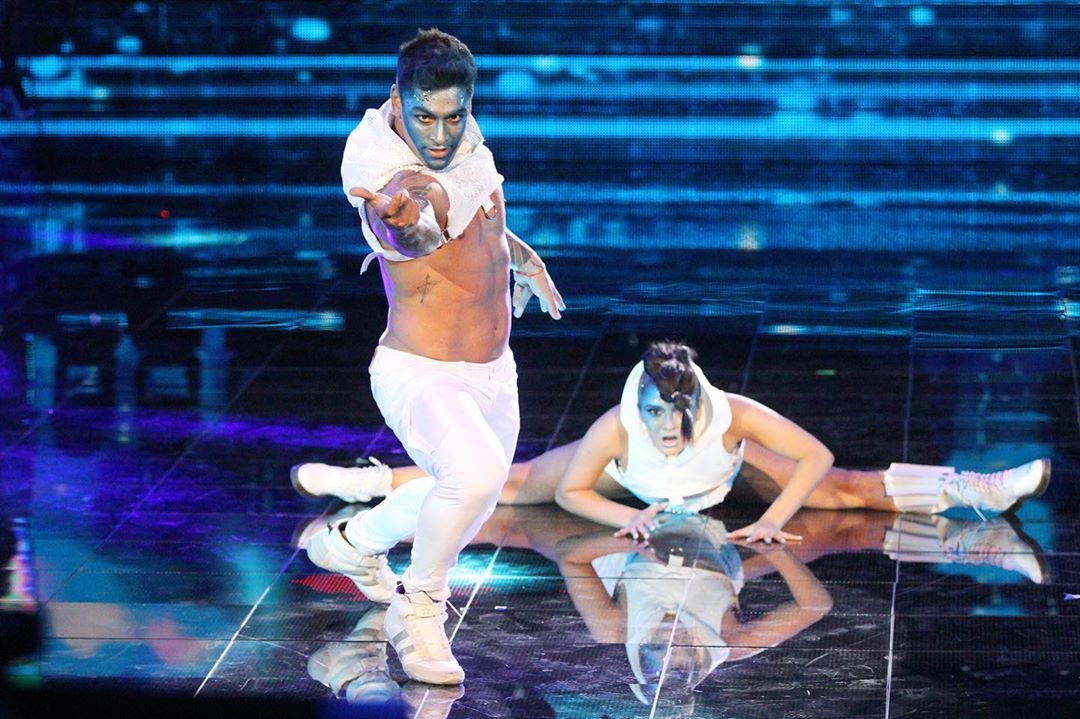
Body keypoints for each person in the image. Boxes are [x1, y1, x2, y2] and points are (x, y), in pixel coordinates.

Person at [302, 28, 565, 687]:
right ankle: (416, 608)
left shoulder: (459, 137)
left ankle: (354, 542)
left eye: (455, 116)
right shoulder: (386, 173)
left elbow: (475, 206)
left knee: (470, 494)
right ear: (398, 100)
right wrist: (402, 222)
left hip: (492, 371)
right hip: (421, 373)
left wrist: (520, 256)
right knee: (472, 478)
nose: (441, 135)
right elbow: (420, 226)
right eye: (425, 118)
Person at [295, 339, 1050, 551]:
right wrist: (627, 517)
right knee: (506, 483)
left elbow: (816, 457)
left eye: (677, 415)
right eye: (657, 413)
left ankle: (974, 488)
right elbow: (570, 492)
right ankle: (366, 485)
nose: (666, 424)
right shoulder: (617, 427)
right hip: (633, 484)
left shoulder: (732, 416)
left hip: (720, 479)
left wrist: (770, 518)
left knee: (843, 491)